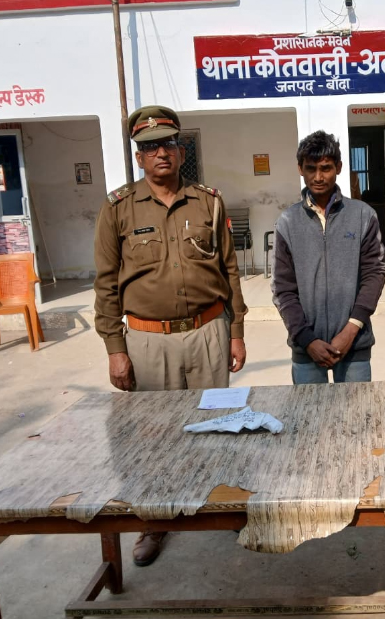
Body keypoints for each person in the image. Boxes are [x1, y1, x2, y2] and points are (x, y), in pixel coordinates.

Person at [93, 104, 248, 567]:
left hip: (207, 332)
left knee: (217, 423)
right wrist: (115, 349)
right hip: (148, 339)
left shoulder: (208, 201)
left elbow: (230, 270)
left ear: (180, 151)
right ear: (139, 157)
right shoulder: (117, 208)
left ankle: (221, 504)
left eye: (168, 144)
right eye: (150, 147)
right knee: (152, 435)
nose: (161, 153)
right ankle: (154, 521)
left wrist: (236, 331)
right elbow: (105, 283)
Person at [271, 130, 385, 384]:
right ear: (300, 169)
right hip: (306, 348)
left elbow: (375, 274)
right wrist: (307, 339)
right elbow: (283, 289)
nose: (318, 177)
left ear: (339, 168)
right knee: (310, 411)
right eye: (310, 169)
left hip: (354, 344)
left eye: (325, 168)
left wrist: (351, 329)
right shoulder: (288, 221)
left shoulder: (362, 215)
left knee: (356, 409)